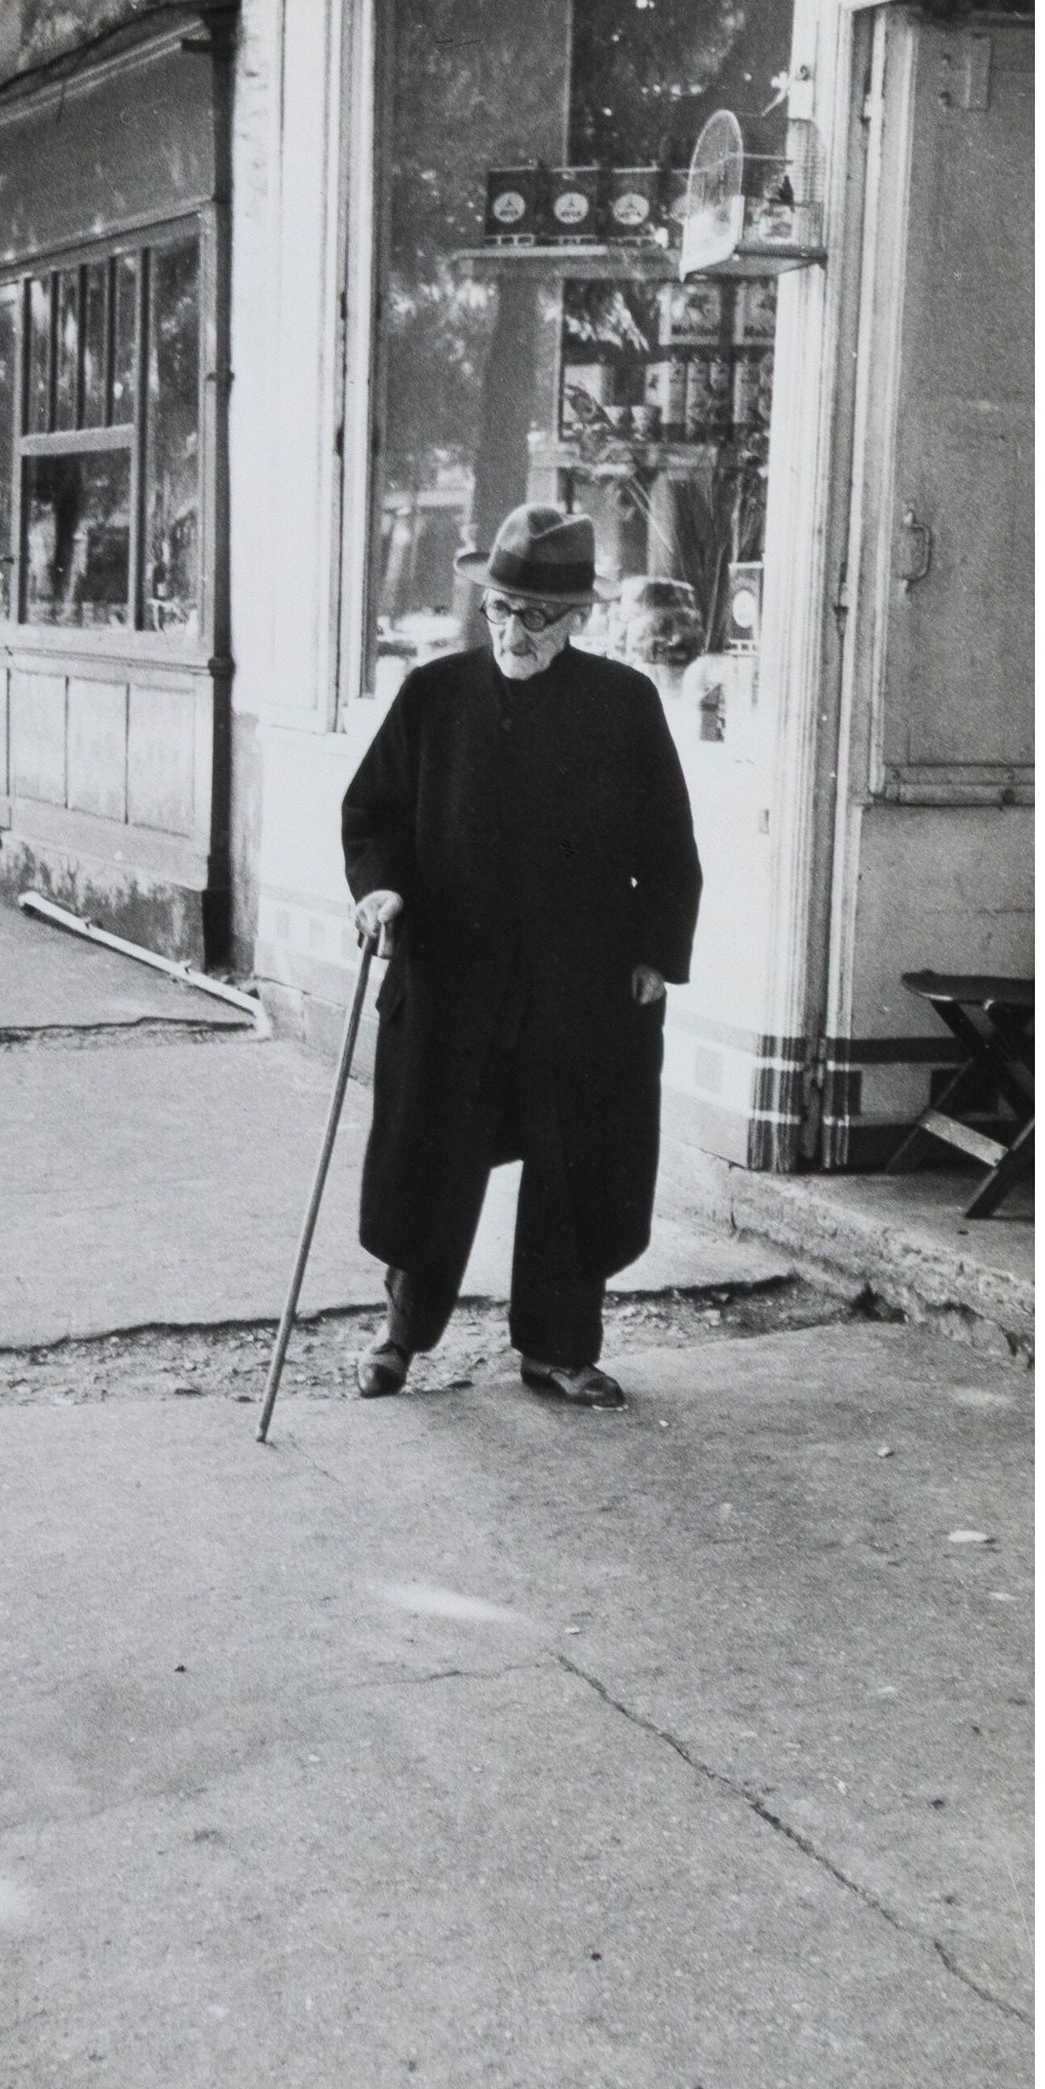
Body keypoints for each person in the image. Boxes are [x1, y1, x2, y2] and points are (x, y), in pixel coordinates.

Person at [341, 502, 702, 1409]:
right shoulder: (435, 695)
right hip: (451, 976)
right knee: (431, 1158)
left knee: (577, 1165)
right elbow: (374, 812)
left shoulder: (624, 706)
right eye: (498, 608)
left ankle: (558, 1346)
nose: (511, 629)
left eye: (534, 615)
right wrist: (380, 888)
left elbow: (668, 845)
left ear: (578, 617)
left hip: (578, 984)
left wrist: (657, 952)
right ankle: (400, 1336)